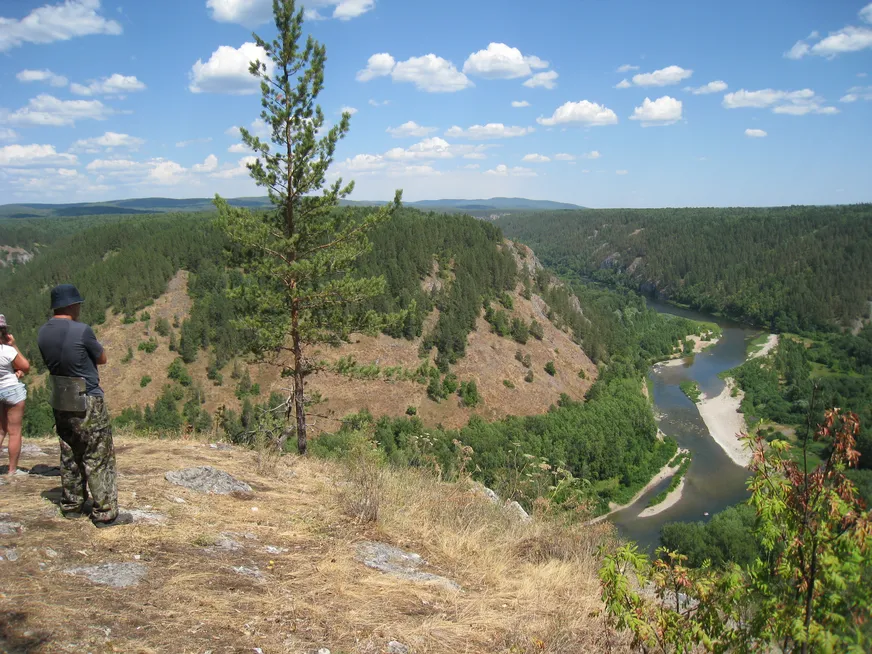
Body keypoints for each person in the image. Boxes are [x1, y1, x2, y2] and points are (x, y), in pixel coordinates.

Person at [37, 284, 131, 528]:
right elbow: (102, 358)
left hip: (60, 397)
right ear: (71, 305)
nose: (79, 308)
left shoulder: (43, 332)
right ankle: (105, 513)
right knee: (98, 454)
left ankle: (72, 505)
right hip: (87, 397)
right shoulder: (82, 330)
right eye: (78, 304)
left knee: (70, 451)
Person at [0, 315, 30, 478]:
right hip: (11, 391)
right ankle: (12, 470)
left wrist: (14, 371)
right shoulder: (7, 351)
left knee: (0, 431)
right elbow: (26, 366)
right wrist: (14, 345)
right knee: (14, 432)